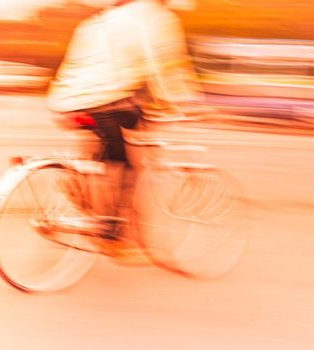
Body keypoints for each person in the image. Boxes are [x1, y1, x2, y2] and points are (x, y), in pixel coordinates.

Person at [46, 0, 202, 256]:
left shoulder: (95, 22)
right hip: (104, 101)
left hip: (65, 101)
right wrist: (180, 101)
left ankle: (81, 182)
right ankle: (114, 231)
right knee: (129, 158)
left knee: (111, 143)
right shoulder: (155, 18)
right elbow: (161, 67)